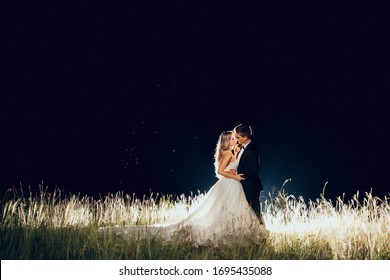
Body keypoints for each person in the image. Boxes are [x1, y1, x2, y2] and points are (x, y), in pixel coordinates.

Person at [99, 130, 267, 245]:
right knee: (223, 211)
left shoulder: (233, 151)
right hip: (230, 183)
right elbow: (220, 171)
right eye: (232, 138)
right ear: (226, 141)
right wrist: (235, 176)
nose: (235, 139)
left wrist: (235, 163)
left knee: (232, 210)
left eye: (235, 137)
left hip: (233, 185)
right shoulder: (229, 153)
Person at [233, 124, 265, 224]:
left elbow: (254, 173)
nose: (235, 139)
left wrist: (238, 175)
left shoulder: (252, 151)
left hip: (251, 187)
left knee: (255, 212)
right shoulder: (239, 148)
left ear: (245, 137)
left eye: (237, 137)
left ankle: (262, 236)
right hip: (242, 186)